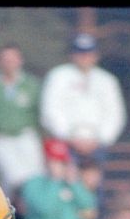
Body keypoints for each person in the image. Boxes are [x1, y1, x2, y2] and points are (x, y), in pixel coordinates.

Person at [39, 32, 125, 175]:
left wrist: (101, 139)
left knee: (95, 187)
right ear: (72, 54)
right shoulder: (58, 76)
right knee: (66, 186)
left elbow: (115, 113)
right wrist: (69, 136)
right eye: (80, 52)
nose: (84, 57)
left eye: (88, 52)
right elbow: (50, 110)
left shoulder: (107, 80)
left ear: (96, 55)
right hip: (66, 143)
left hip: (97, 143)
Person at [0, 43, 46, 195]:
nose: (9, 64)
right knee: (14, 178)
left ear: (20, 60)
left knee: (36, 177)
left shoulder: (31, 84)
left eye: (13, 59)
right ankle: (8, 212)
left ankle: (24, 215)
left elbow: (39, 114)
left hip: (25, 135)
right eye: (5, 60)